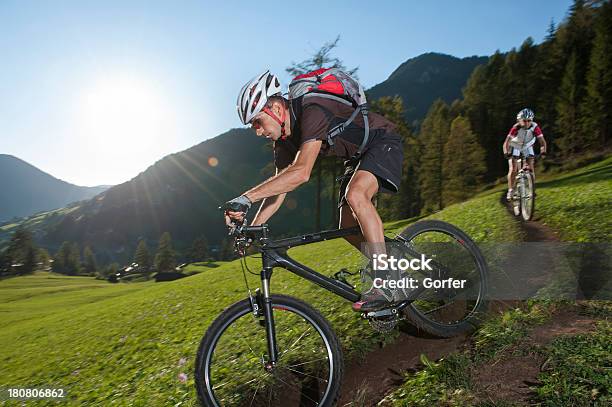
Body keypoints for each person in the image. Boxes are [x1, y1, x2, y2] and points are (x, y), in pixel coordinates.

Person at [221, 70, 404, 312]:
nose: (257, 131)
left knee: (356, 195)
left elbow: (301, 172)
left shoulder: (311, 108)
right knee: (346, 229)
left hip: (382, 141)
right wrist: (252, 227)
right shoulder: (284, 143)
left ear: (275, 109)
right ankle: (392, 264)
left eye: (257, 122)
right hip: (357, 157)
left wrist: (246, 198)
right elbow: (279, 190)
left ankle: (386, 280)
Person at [503, 108, 547, 201]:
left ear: (532, 120)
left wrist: (543, 151)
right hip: (515, 145)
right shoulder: (516, 127)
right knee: (513, 168)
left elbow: (542, 142)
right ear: (519, 120)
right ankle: (510, 190)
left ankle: (531, 188)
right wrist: (506, 153)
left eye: (529, 121)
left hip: (527, 146)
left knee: (531, 166)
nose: (527, 123)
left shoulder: (535, 127)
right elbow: (506, 142)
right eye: (524, 121)